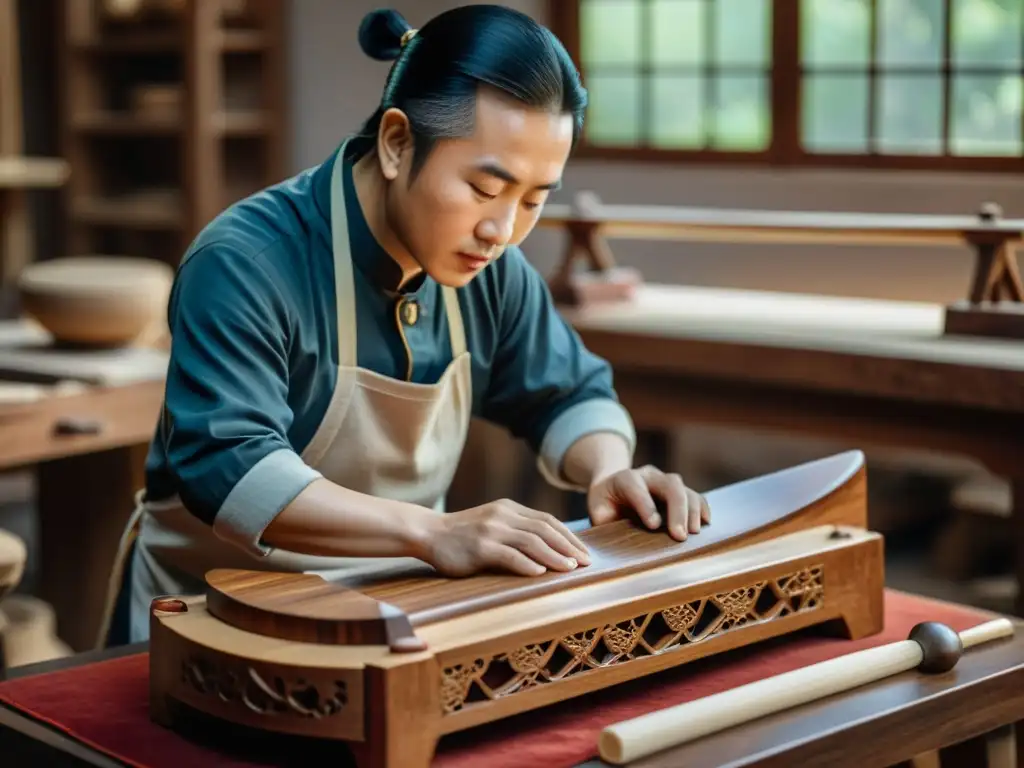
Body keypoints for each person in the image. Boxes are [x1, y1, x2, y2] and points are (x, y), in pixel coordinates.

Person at [100, 5, 710, 647]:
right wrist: (432, 532)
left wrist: (608, 470)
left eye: (533, 200)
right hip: (206, 628)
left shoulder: (491, 270)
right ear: (397, 143)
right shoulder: (245, 262)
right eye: (483, 188)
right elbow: (230, 469)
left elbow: (568, 392)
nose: (501, 231)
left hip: (394, 623)